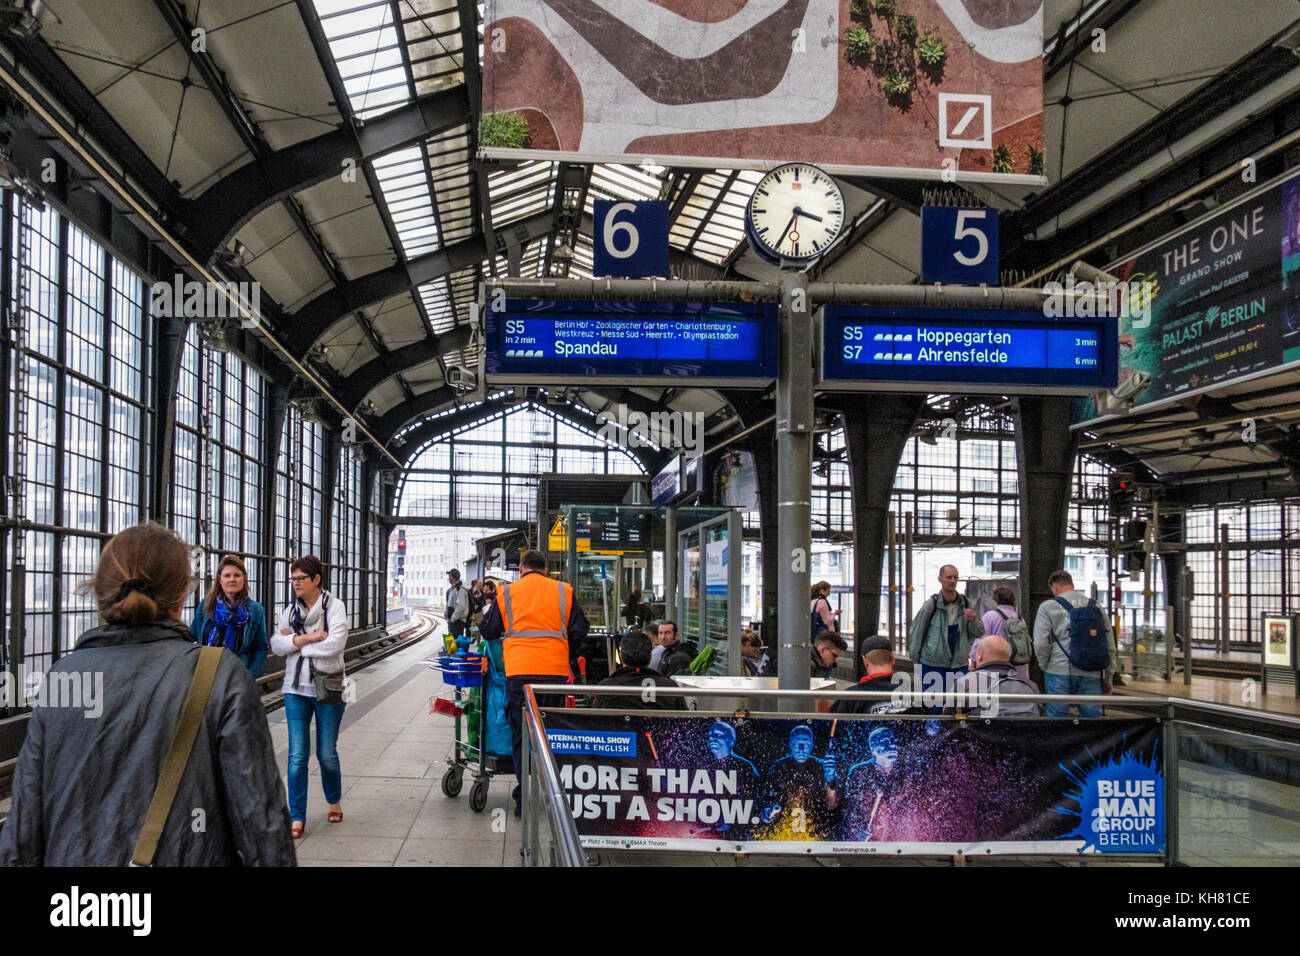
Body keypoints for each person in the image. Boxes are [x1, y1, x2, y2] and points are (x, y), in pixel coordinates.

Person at [0, 522, 295, 866]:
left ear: (100, 590)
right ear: (182, 595)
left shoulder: (62, 679)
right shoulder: (219, 676)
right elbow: (261, 821)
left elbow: (21, 837)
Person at [480, 549, 590, 815]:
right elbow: (580, 629)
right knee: (549, 732)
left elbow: (489, 630)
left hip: (519, 672)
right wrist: (565, 653)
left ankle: (523, 801)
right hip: (554, 673)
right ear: (546, 570)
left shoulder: (507, 592)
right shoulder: (563, 590)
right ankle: (553, 796)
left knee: (523, 736)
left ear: (521, 568)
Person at [271, 554, 349, 838]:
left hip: (327, 688)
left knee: (326, 753)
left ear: (317, 579)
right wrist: (307, 638)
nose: (295, 584)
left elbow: (336, 644)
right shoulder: (289, 611)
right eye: (293, 579)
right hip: (294, 689)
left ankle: (334, 800)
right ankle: (297, 815)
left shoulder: (335, 607)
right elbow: (277, 645)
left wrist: (298, 647)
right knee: (297, 756)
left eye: (301, 579)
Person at [1033, 570, 1117, 719]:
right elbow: (1110, 645)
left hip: (1058, 670)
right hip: (1092, 670)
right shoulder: (1095, 606)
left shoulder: (1047, 607)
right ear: (1072, 584)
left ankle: (1061, 743)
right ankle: (1092, 743)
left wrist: (1045, 665)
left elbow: (1040, 643)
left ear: (1054, 587)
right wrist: (1108, 677)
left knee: (1057, 719)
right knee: (1092, 719)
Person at [907, 565, 984, 706]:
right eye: (949, 577)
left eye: (955, 577)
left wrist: (974, 620)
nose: (953, 581)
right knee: (934, 706)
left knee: (958, 706)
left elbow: (979, 632)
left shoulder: (965, 603)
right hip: (932, 665)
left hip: (958, 665)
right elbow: (917, 632)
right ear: (940, 579)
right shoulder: (931, 605)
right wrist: (915, 659)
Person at [190, 553, 269, 677]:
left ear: (244, 578)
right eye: (227, 575)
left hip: (238, 674)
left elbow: (261, 648)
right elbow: (192, 635)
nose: (232, 579)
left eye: (237, 575)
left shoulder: (255, 610)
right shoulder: (207, 604)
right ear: (220, 579)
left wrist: (250, 674)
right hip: (206, 672)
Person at [758, 724, 835, 838]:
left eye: (806, 743)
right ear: (790, 744)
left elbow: (831, 805)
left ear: (812, 745)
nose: (801, 748)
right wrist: (768, 812)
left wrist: (830, 778)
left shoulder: (822, 767)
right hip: (784, 833)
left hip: (814, 833)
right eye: (796, 743)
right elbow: (765, 801)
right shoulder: (779, 767)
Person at [949, 634, 1041, 717]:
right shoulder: (1030, 686)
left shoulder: (965, 684)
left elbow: (947, 723)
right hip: (1024, 735)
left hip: (980, 734)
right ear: (1008, 657)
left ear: (980, 655)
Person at [830, 636, 925, 715]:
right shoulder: (917, 690)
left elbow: (831, 730)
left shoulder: (850, 697)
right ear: (893, 659)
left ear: (865, 661)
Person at [592, 630, 680, 710]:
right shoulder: (669, 688)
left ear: (621, 658)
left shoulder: (605, 688)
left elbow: (596, 722)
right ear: (650, 658)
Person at [975, 585, 1032, 683]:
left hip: (997, 668)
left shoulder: (990, 616)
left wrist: (973, 658)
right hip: (1020, 667)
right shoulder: (1020, 618)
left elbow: (980, 640)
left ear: (995, 601)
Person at [445, 569, 470, 640]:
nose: (448, 578)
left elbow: (461, 606)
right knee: (453, 644)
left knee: (455, 644)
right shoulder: (454, 588)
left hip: (457, 622)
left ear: (452, 577)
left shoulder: (460, 589)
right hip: (455, 621)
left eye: (449, 576)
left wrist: (452, 619)